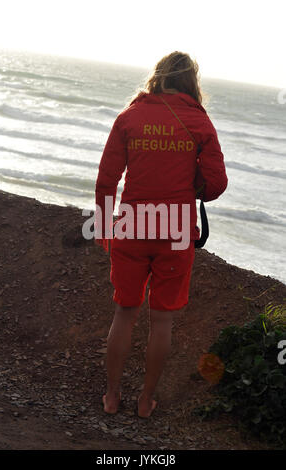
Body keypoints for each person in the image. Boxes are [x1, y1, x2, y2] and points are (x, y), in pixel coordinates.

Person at [95, 51, 228, 418]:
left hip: (132, 227)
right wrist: (192, 185)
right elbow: (217, 183)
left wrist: (105, 226)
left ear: (158, 77)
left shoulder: (130, 117)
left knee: (124, 312)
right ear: (191, 83)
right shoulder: (198, 121)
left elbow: (107, 179)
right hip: (175, 231)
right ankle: (145, 400)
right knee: (162, 320)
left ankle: (111, 395)